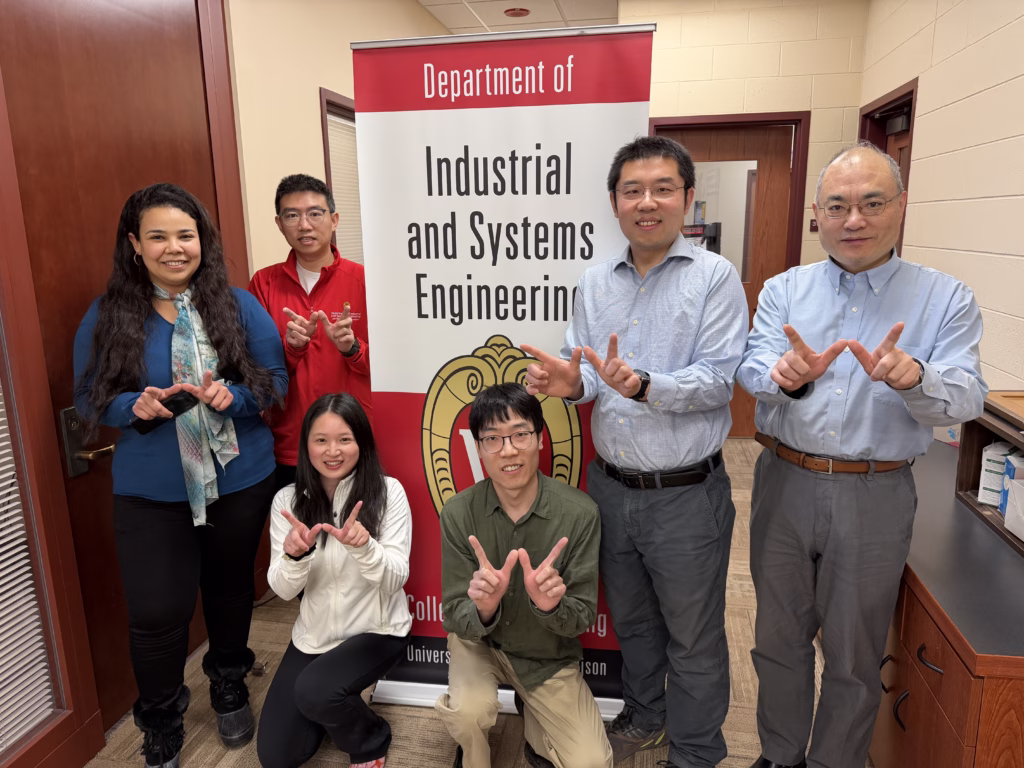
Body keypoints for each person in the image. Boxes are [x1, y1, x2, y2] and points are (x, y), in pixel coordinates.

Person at [736, 141, 987, 768]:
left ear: (900, 208)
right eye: (839, 206)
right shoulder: (784, 290)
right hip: (784, 481)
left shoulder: (944, 298)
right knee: (777, 638)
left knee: (853, 649)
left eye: (872, 203)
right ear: (817, 214)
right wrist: (788, 375)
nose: (854, 221)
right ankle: (781, 755)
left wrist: (915, 377)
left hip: (875, 492)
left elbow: (968, 398)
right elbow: (751, 366)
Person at [523, 135, 748, 768]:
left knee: (694, 634)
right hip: (611, 489)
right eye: (632, 191)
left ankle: (698, 751)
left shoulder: (714, 277)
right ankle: (648, 718)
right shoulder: (595, 282)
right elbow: (586, 371)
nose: (647, 203)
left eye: (662, 189)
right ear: (615, 202)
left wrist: (647, 385)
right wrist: (572, 386)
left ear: (686, 199)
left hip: (685, 494)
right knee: (634, 622)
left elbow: (718, 380)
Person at [73, 183, 288, 768]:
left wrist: (234, 395)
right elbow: (91, 399)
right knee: (156, 614)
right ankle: (162, 718)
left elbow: (274, 380)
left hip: (238, 479)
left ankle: (228, 681)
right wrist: (130, 410)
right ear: (134, 245)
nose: (175, 247)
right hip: (152, 489)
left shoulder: (237, 305)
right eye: (159, 236)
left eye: (185, 235)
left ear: (202, 241)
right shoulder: (110, 314)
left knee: (228, 592)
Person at [435, 383, 612, 768]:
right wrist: (483, 609)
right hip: (481, 645)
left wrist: (551, 607)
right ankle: (472, 755)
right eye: (493, 440)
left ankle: (534, 727)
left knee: (592, 762)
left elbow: (581, 616)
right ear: (478, 449)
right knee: (468, 713)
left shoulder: (580, 514)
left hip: (546, 655)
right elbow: (452, 614)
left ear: (540, 439)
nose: (509, 450)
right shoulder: (459, 514)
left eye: (520, 434)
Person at [256, 393, 412, 768]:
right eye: (321, 440)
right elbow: (282, 588)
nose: (333, 451)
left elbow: (394, 580)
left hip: (376, 630)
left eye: (345, 439)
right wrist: (295, 556)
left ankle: (371, 739)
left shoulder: (388, 493)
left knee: (316, 690)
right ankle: (333, 697)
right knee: (277, 756)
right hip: (315, 636)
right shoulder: (287, 502)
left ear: (362, 442)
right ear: (306, 444)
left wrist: (364, 547)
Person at [248, 173, 372, 490]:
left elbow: (393, 370)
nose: (304, 225)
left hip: (354, 440)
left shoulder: (367, 280)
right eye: (292, 215)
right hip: (291, 445)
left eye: (315, 213)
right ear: (279, 223)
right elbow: (254, 371)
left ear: (334, 219)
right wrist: (290, 349)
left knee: (358, 535)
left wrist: (352, 349)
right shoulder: (263, 284)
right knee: (298, 538)